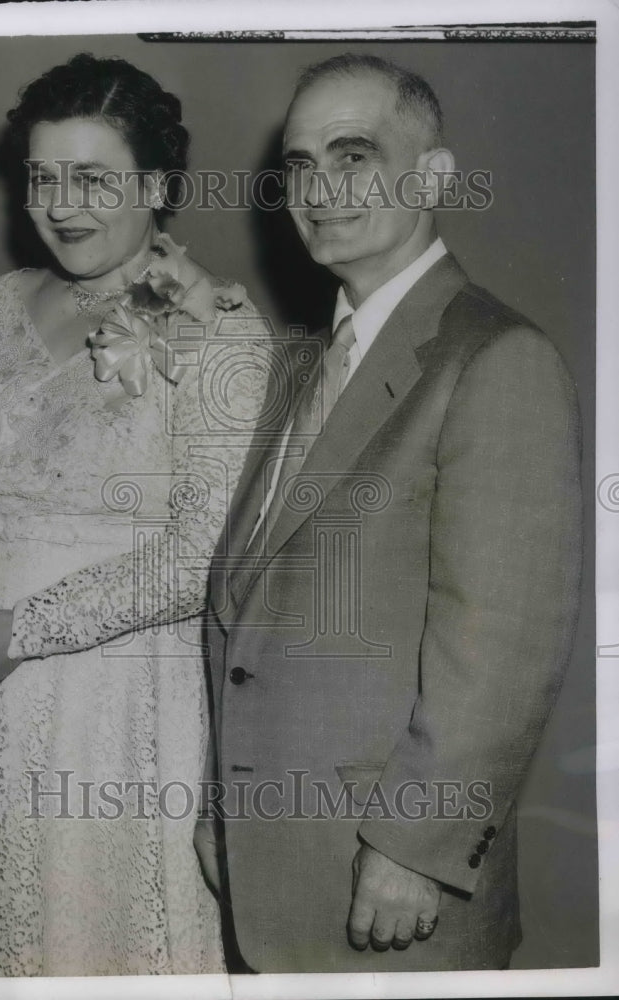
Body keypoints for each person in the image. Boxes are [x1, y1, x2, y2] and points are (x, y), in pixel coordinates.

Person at [0, 54, 273, 977]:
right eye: (43, 177)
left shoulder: (216, 329)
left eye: (93, 177)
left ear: (161, 184)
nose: (62, 203)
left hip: (106, 707)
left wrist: (31, 629)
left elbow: (202, 552)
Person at [198, 54, 582, 973]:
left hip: (391, 890)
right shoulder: (301, 365)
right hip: (274, 874)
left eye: (353, 153)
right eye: (298, 163)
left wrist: (414, 848)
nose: (318, 188)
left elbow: (502, 643)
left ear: (434, 176)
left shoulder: (496, 358)